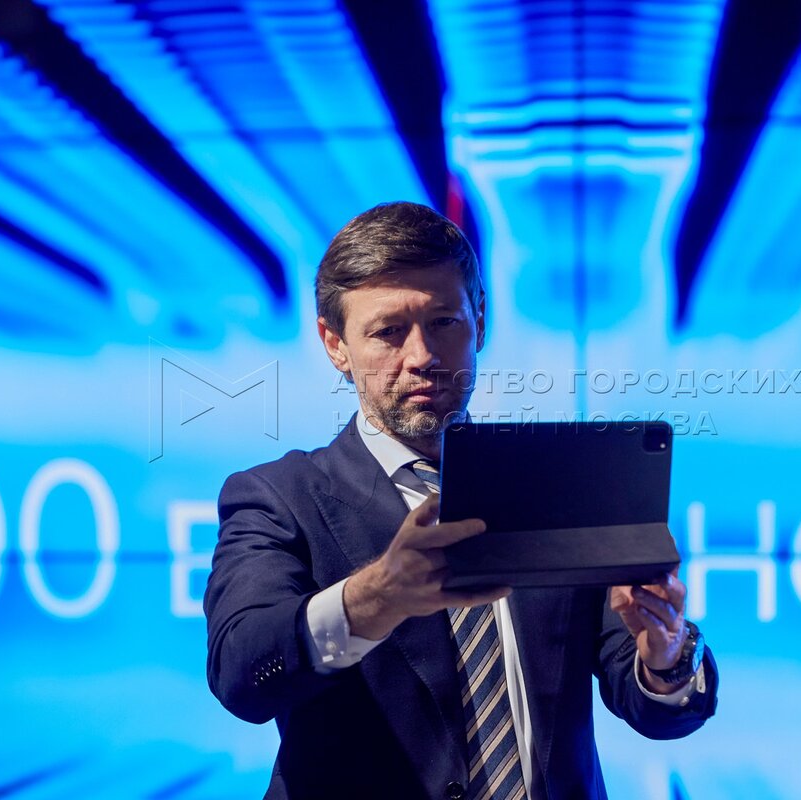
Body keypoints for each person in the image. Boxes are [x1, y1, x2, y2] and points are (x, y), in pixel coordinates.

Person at [205, 201, 718, 800]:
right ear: (335, 344)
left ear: (480, 319)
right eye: (388, 332)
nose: (422, 355)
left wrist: (665, 655)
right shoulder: (277, 497)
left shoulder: (553, 483)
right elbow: (242, 674)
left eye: (444, 321)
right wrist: (375, 598)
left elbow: (655, 707)